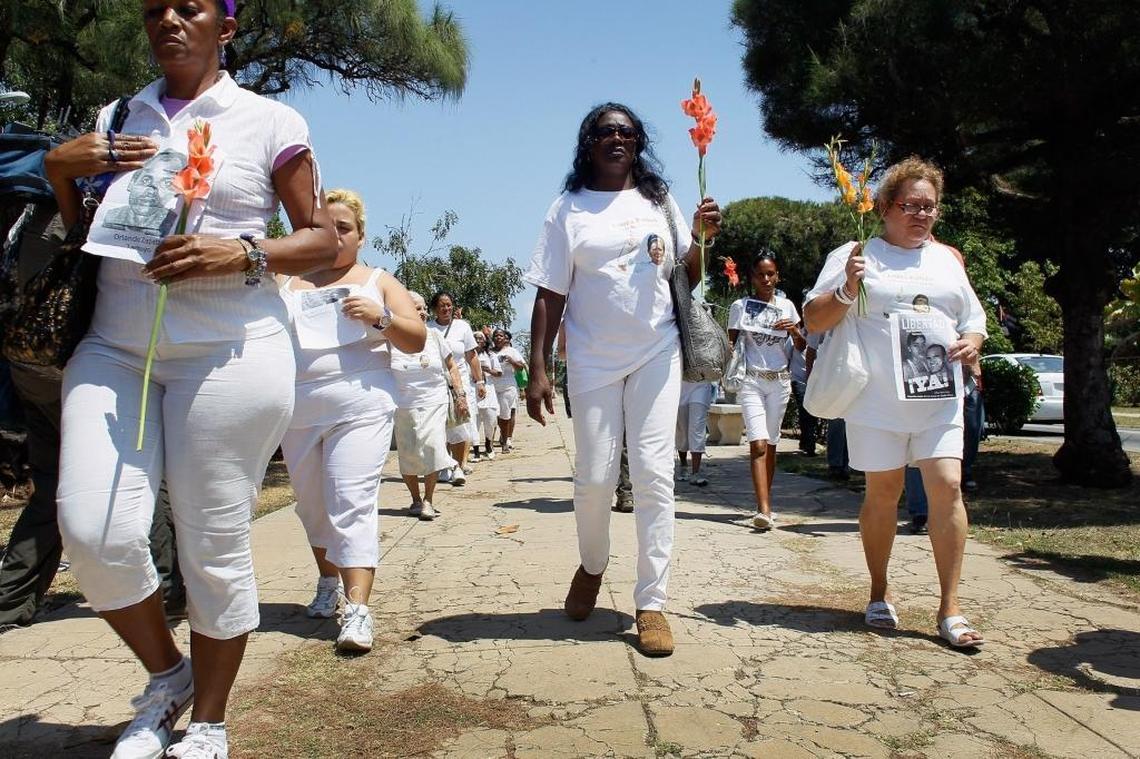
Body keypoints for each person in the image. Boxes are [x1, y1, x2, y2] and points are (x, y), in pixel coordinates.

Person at [45, 1, 339, 755]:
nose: (168, 19)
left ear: (226, 27)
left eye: (190, 6)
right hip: (116, 342)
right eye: (154, 9)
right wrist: (60, 172)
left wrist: (237, 253)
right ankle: (167, 675)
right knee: (92, 529)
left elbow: (319, 242)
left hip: (230, 347)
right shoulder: (119, 114)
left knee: (211, 542)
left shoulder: (272, 121)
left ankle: (208, 721)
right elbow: (84, 235)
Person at [525, 102, 721, 657]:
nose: (619, 139)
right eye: (607, 131)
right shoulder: (568, 208)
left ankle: (651, 602)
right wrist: (540, 367)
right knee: (594, 477)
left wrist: (702, 238)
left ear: (639, 142)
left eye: (628, 132)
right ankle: (592, 565)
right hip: (591, 360)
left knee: (657, 474)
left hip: (657, 352)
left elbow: (687, 272)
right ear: (589, 142)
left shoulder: (658, 201)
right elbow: (549, 292)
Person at [804, 156, 987, 649]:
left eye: (930, 207)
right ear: (885, 206)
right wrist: (847, 288)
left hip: (938, 398)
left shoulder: (947, 259)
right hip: (877, 403)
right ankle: (879, 591)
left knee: (948, 486)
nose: (922, 216)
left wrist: (972, 340)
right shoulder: (856, 252)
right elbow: (814, 319)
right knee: (883, 495)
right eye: (911, 205)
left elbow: (973, 316)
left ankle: (950, 608)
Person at [278, 189, 424, 653]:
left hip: (361, 405)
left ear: (360, 236)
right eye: (326, 227)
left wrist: (380, 318)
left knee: (351, 498)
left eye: (344, 228)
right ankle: (328, 580)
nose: (335, 236)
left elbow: (416, 339)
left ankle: (358, 608)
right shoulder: (284, 281)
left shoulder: (377, 280)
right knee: (312, 504)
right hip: (297, 410)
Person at [728, 252, 805, 531]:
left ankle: (765, 502)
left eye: (771, 274)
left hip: (780, 381)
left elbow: (801, 347)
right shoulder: (740, 306)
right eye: (761, 274)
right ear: (752, 277)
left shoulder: (787, 306)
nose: (766, 279)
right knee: (758, 443)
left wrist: (794, 331)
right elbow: (731, 344)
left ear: (778, 276)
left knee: (771, 444)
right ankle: (763, 510)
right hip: (752, 380)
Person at [391, 291, 462, 522]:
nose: (421, 313)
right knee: (408, 452)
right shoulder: (389, 339)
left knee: (433, 448)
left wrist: (460, 394)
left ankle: (429, 500)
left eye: (423, 309)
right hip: (403, 404)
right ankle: (415, 498)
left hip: (435, 400)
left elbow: (452, 367)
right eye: (415, 309)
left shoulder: (434, 336)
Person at [427, 291, 484, 486]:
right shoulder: (427, 328)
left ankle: (459, 465)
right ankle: (444, 466)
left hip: (460, 383)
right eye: (442, 305)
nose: (446, 309)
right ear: (434, 308)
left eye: (449, 305)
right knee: (440, 426)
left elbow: (472, 356)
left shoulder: (463, 327)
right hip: (436, 383)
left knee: (461, 425)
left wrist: (480, 381)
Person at [492, 328, 526, 452]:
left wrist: (511, 361)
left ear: (504, 338)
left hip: (508, 387)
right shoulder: (489, 352)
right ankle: (491, 441)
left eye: (500, 335)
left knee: (506, 415)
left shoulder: (511, 351)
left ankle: (505, 441)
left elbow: (521, 368)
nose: (498, 338)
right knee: (493, 415)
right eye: (495, 335)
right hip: (492, 388)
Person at [790, 324, 822, 456]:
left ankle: (806, 441)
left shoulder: (822, 333)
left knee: (813, 413)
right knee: (805, 412)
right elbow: (787, 355)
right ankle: (809, 445)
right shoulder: (796, 336)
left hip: (817, 381)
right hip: (799, 379)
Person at [676, 381, 715, 485]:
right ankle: (683, 465)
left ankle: (695, 472)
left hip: (702, 382)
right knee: (682, 430)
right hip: (680, 383)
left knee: (697, 428)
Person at [472, 330, 502, 461]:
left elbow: (499, 373)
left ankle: (489, 444)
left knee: (490, 421)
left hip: (488, 392)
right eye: (475, 338)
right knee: (473, 423)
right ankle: (476, 451)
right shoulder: (467, 355)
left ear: (485, 341)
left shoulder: (490, 355)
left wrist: (487, 370)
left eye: (481, 338)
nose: (478, 340)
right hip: (472, 392)